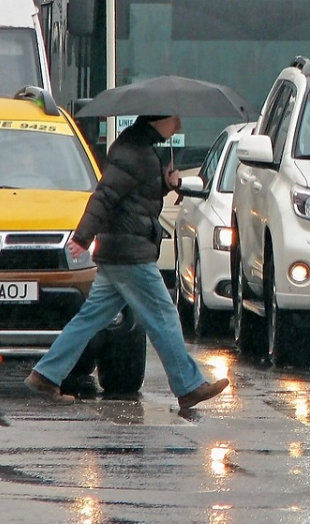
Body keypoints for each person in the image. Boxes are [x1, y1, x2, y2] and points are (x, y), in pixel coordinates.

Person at [24, 114, 230, 409]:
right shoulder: (134, 152)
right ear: (159, 119)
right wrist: (82, 236)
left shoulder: (139, 149)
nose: (180, 126)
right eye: (176, 120)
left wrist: (165, 184)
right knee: (164, 317)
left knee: (90, 319)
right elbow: (105, 196)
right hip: (129, 253)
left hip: (120, 250)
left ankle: (45, 375)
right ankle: (188, 386)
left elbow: (133, 196)